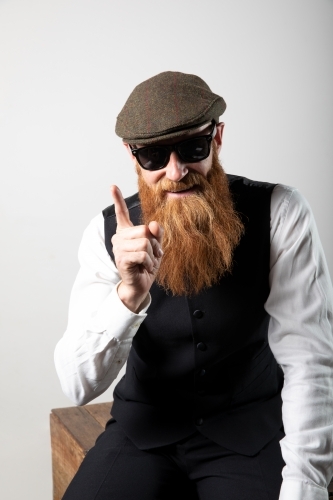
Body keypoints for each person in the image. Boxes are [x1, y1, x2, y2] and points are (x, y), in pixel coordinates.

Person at [55, 71, 333, 500]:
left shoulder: (282, 213)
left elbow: (310, 360)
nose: (176, 171)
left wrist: (305, 486)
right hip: (142, 434)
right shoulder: (105, 233)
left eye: (192, 148)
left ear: (217, 138)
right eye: (153, 156)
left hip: (249, 437)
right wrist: (127, 295)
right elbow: (76, 386)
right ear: (132, 156)